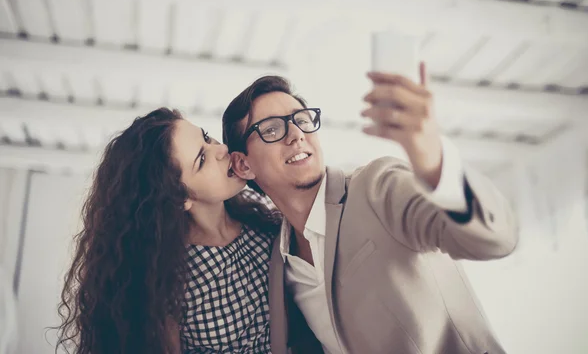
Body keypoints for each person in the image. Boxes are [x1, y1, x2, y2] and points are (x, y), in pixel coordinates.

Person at [222, 63, 519, 354]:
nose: (296, 134)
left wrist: (434, 159)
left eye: (301, 119)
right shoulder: (279, 262)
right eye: (272, 129)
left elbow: (494, 238)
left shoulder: (378, 187)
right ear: (243, 164)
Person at [54, 108, 280, 354]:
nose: (221, 149)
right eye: (202, 160)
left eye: (205, 137)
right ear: (178, 197)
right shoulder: (165, 281)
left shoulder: (265, 226)